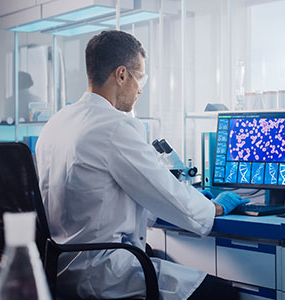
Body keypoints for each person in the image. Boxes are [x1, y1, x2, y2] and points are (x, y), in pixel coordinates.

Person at [35, 30, 248, 300]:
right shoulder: (114, 126)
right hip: (101, 275)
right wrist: (214, 207)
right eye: (140, 77)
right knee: (223, 295)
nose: (140, 88)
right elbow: (166, 193)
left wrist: (189, 198)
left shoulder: (56, 123)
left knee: (160, 259)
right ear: (121, 75)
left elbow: (103, 200)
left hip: (58, 270)